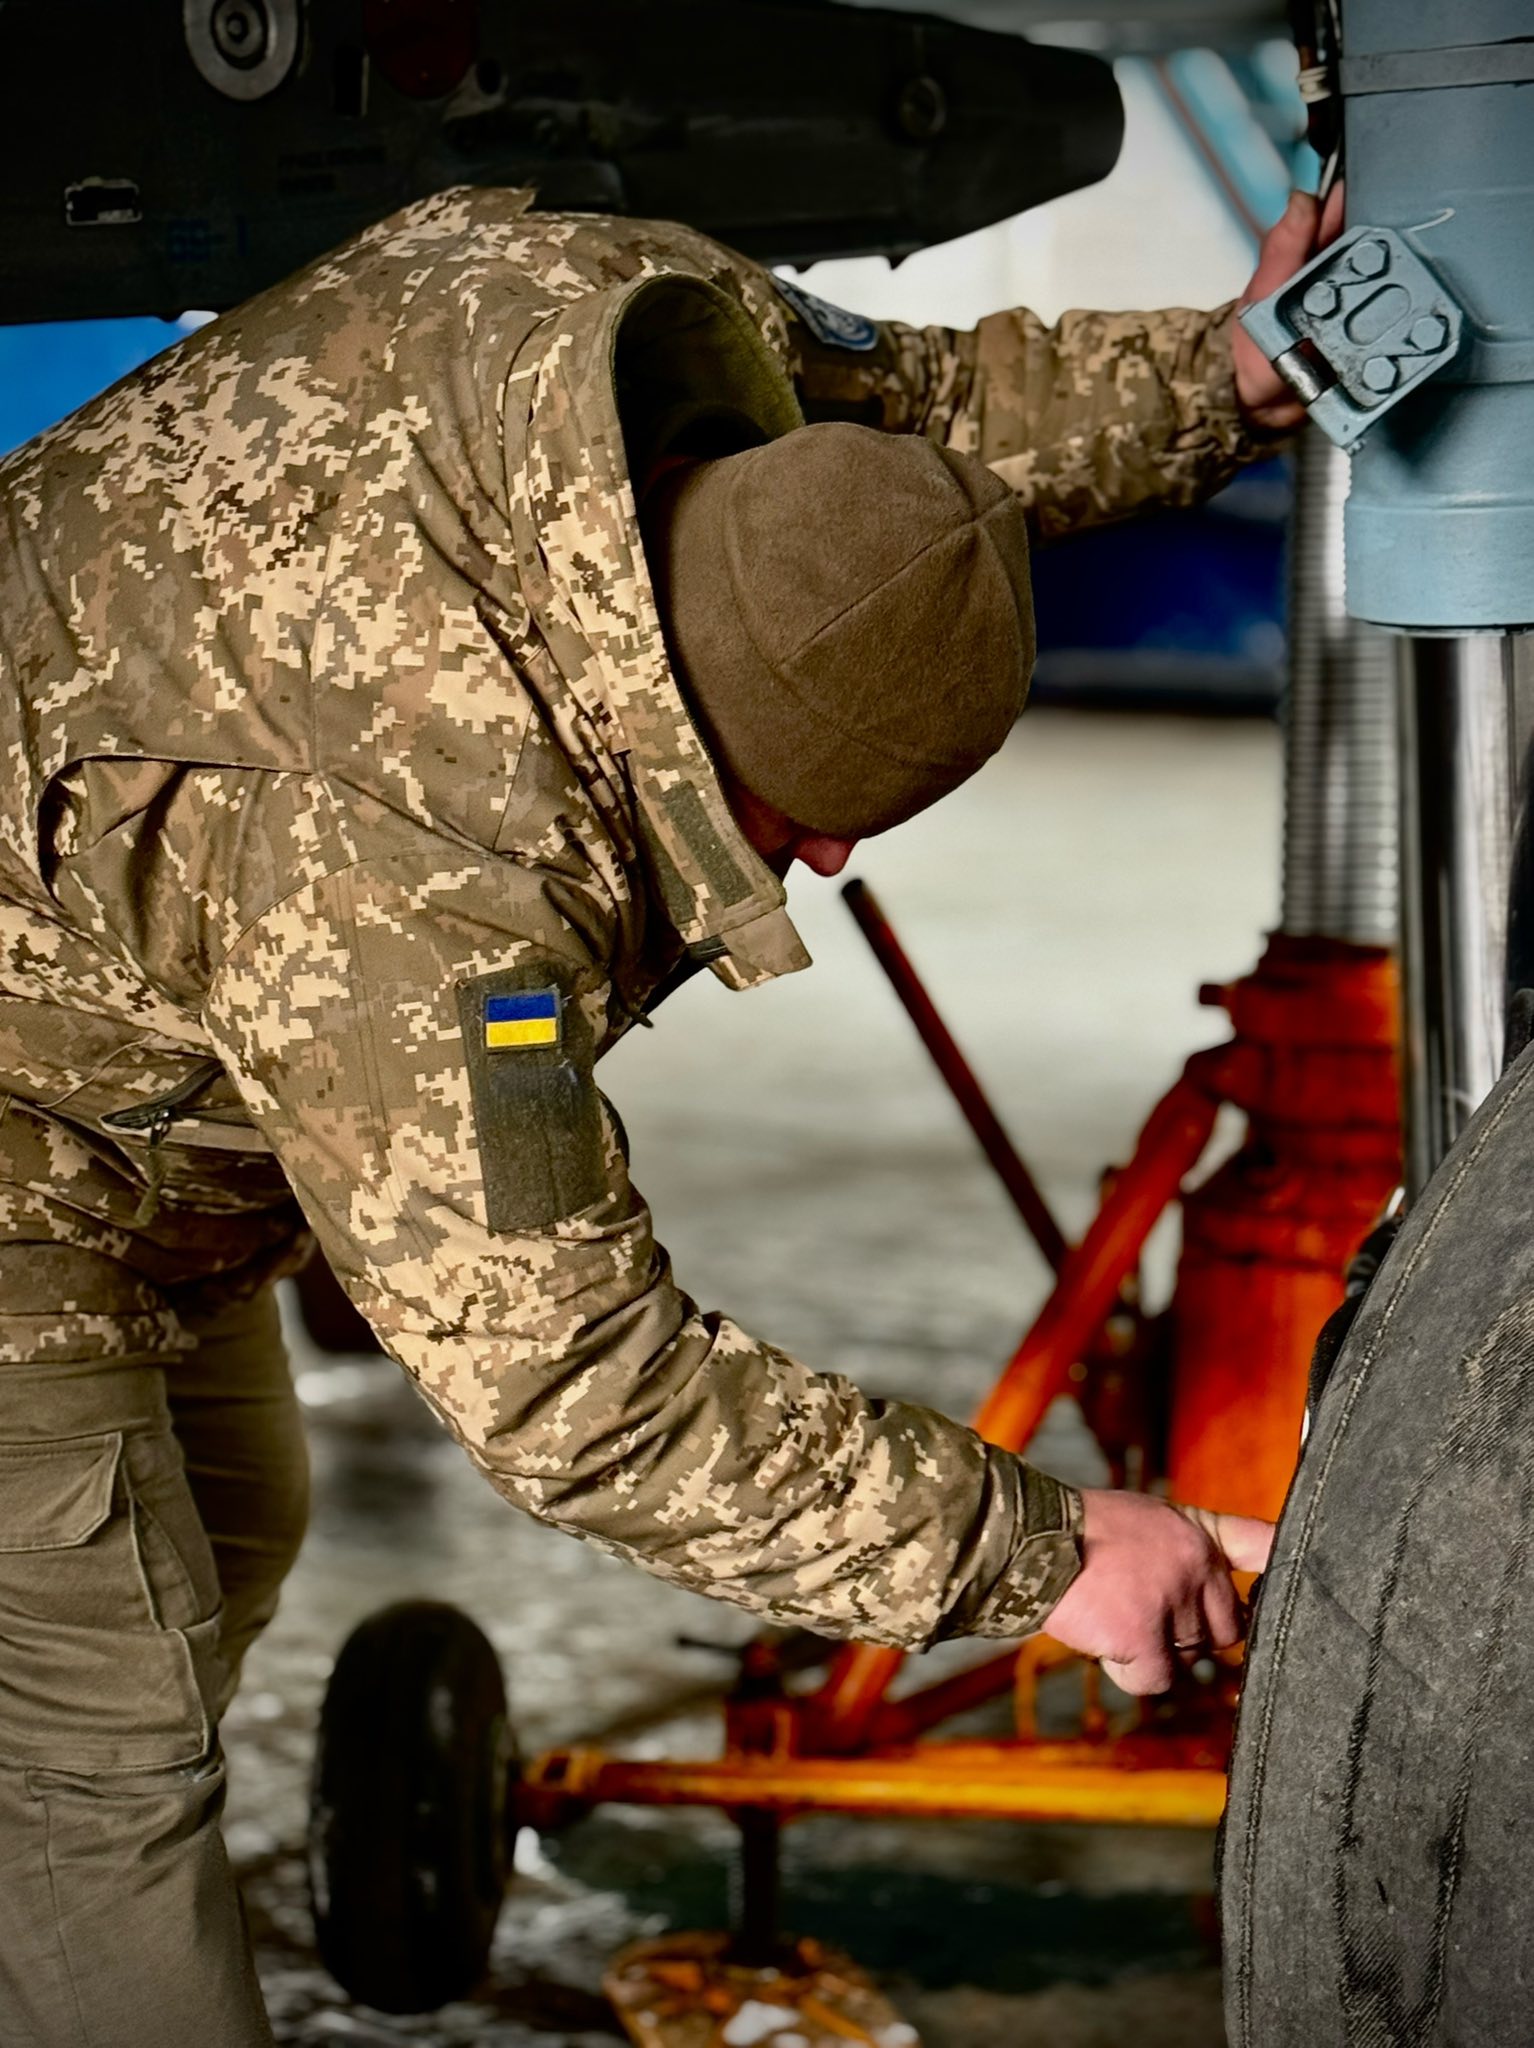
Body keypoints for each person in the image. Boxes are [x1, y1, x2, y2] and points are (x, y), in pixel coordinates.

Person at [0, 181, 1334, 2043]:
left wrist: (1226, 372)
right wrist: (1043, 1554)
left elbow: (914, 425)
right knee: (90, 1761)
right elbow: (575, 1393)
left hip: (109, 1033)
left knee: (224, 1510)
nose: (823, 857)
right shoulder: (428, 866)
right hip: (19, 1173)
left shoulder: (630, 335)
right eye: (793, 836)